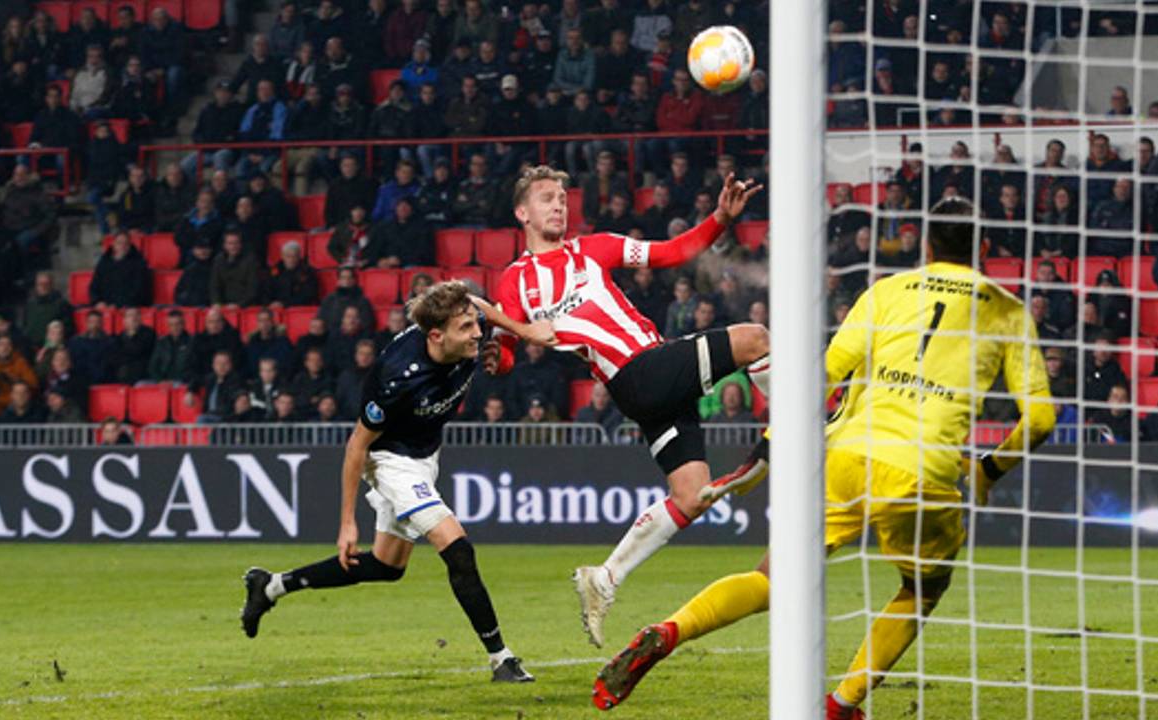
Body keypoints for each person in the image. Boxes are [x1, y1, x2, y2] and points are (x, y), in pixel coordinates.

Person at [591, 197, 1057, 716]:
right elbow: (1040, 420)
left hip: (846, 454)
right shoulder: (1007, 309)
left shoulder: (887, 291)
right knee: (922, 587)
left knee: (770, 578)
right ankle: (842, 704)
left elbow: (822, 377)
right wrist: (991, 469)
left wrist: (767, 450)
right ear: (985, 247)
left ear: (925, 244)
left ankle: (669, 630)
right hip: (923, 471)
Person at [489, 166, 768, 648]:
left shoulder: (594, 248)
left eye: (562, 197)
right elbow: (509, 354)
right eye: (546, 199)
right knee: (756, 339)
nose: (558, 205)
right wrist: (496, 358)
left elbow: (671, 252)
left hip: (651, 380)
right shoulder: (515, 283)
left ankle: (606, 577)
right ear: (522, 213)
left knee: (691, 495)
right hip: (636, 373)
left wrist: (720, 217)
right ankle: (809, 425)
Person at [239, 281, 555, 684]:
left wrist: (523, 334)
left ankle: (270, 587)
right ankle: (501, 658)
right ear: (436, 336)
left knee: (388, 566)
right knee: (457, 548)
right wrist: (346, 523)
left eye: (476, 326)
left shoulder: (467, 324)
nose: (477, 332)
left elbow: (477, 304)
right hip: (390, 460)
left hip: (425, 456)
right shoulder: (397, 377)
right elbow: (357, 446)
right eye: (467, 329)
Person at [90, 232, 151, 308]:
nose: (122, 246)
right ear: (113, 244)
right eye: (119, 243)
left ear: (129, 246)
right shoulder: (104, 263)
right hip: (105, 306)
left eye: (126, 243)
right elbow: (94, 286)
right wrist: (97, 301)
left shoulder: (139, 264)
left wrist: (118, 305)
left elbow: (140, 290)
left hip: (130, 306)